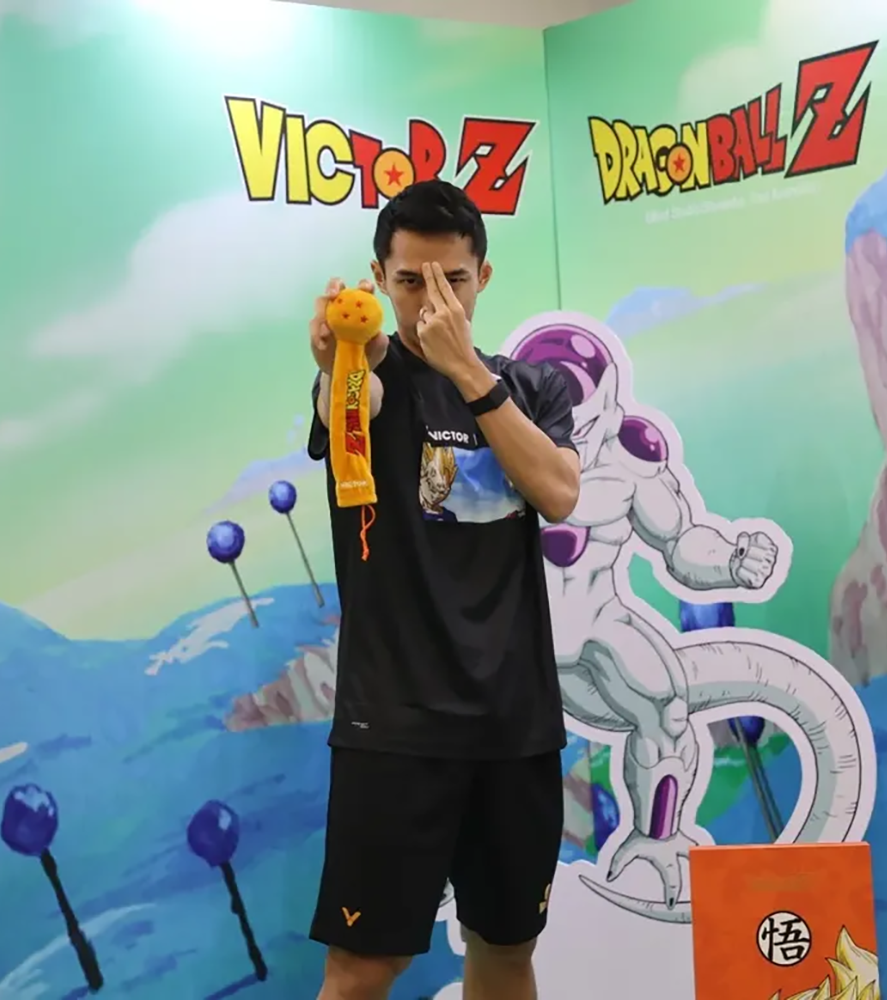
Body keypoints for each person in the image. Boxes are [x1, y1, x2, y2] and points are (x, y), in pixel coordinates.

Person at [306, 179, 582, 1000]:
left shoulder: (534, 387)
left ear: (483, 277)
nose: (432, 302)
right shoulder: (369, 373)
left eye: (452, 281)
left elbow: (558, 492)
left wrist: (466, 369)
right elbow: (349, 406)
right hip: (394, 729)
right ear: (377, 279)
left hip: (514, 726)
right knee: (363, 967)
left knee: (506, 948)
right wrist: (337, 361)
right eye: (409, 281)